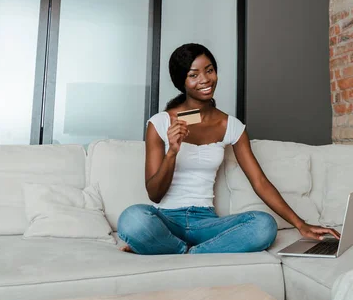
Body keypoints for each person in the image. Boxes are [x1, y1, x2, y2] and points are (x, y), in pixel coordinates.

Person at [117, 43, 340, 255]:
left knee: (264, 225)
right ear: (181, 81)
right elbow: (154, 194)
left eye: (209, 70)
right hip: (167, 220)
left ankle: (180, 251)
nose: (205, 80)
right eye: (193, 75)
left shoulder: (231, 126)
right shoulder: (160, 123)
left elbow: (259, 182)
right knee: (132, 220)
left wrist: (301, 225)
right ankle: (183, 248)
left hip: (207, 222)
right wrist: (172, 152)